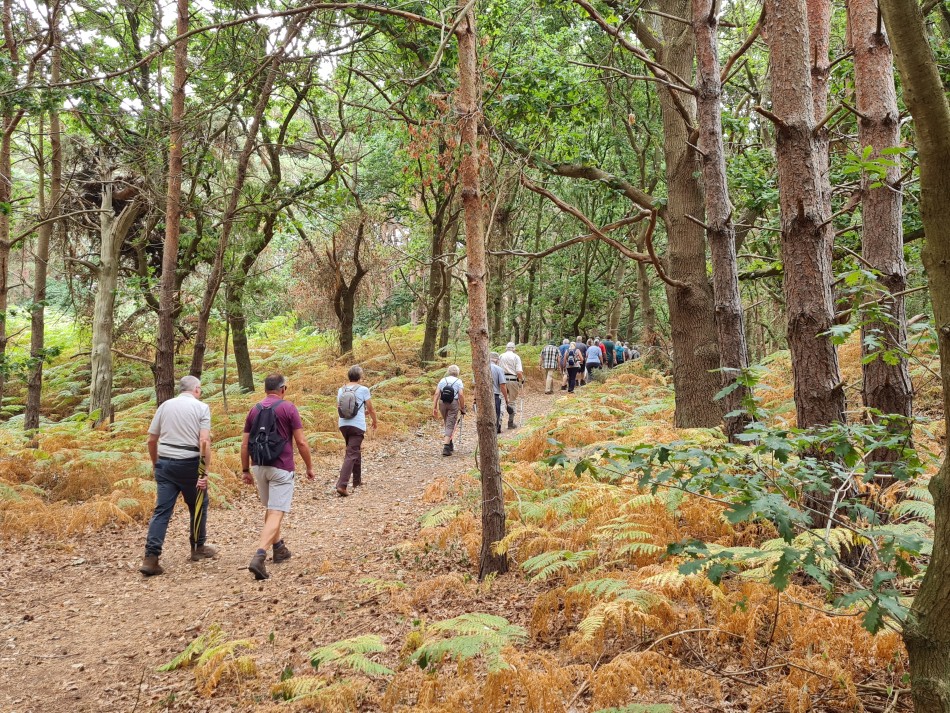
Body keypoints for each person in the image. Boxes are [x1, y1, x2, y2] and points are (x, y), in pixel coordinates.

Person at [241, 373, 315, 581]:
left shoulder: (253, 410)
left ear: (265, 389)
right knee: (276, 512)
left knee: (271, 509)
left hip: (259, 467)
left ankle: (279, 547)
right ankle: (260, 555)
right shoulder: (288, 408)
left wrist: (245, 470)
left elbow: (245, 444)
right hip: (281, 466)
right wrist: (309, 466)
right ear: (283, 389)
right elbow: (301, 442)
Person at [140, 375, 216, 577]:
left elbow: (151, 440)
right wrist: (204, 471)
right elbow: (204, 441)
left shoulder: (165, 406)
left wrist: (156, 463)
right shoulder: (201, 408)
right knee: (198, 503)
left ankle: (151, 557)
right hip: (190, 464)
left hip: (165, 463)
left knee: (162, 511)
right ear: (197, 389)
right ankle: (198, 547)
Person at [336, 365, 378, 496]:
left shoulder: (341, 390)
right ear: (360, 377)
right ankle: (342, 485)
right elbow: (370, 408)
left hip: (343, 424)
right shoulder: (364, 389)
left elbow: (340, 407)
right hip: (357, 425)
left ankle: (357, 481)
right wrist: (374, 421)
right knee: (351, 453)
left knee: (354, 450)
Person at [433, 365, 465, 456]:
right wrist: (462, 407)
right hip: (453, 403)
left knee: (447, 422)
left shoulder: (443, 380)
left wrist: (434, 407)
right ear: (457, 373)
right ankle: (446, 446)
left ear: (448, 372)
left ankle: (450, 442)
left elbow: (436, 394)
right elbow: (461, 395)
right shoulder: (458, 381)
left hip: (442, 403)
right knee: (450, 423)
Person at [498, 342, 524, 428]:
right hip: (513, 380)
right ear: (514, 349)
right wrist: (521, 381)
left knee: (501, 400)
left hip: (501, 380)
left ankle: (499, 422)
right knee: (512, 401)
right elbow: (519, 372)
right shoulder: (516, 357)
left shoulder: (501, 356)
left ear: (506, 348)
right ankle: (510, 422)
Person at [489, 352, 510, 434]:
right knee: (496, 413)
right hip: (495, 395)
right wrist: (506, 398)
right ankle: (495, 429)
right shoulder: (499, 369)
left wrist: (475, 399)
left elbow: (476, 385)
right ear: (497, 360)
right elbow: (502, 385)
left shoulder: (480, 368)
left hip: (482, 397)